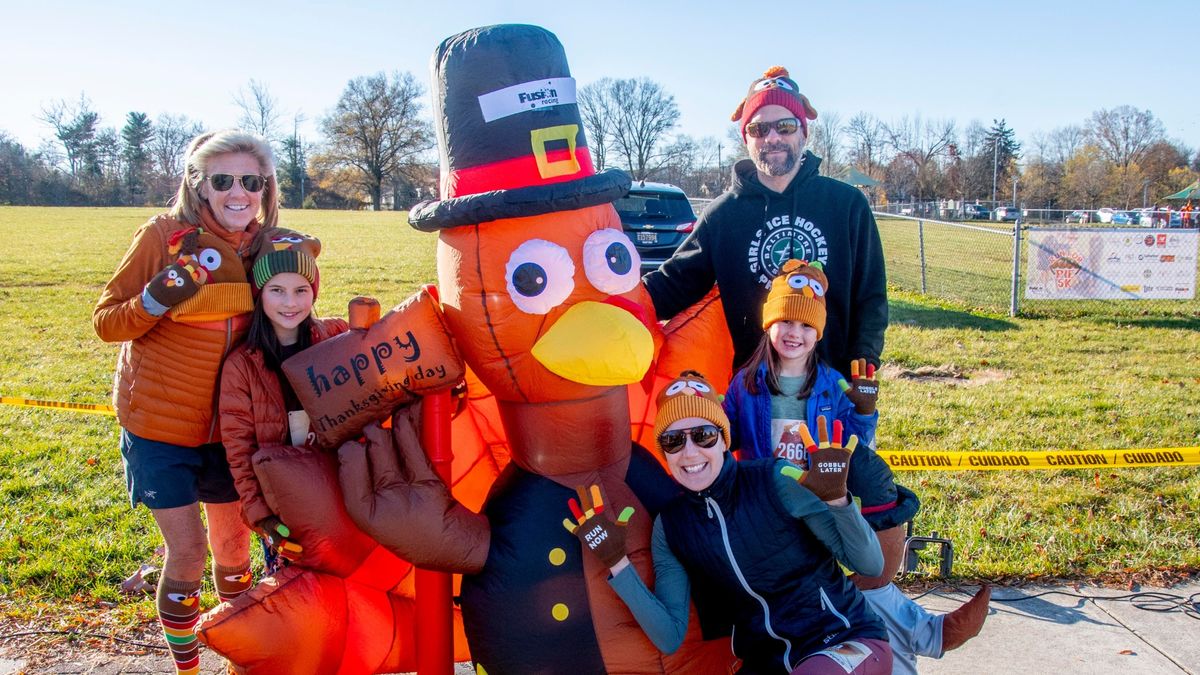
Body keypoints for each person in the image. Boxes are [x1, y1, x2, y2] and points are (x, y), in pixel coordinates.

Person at [724, 260, 990, 674]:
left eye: (806, 326)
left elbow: (857, 452)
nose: (795, 333)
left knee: (865, 578)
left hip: (822, 503)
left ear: (819, 333)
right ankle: (919, 634)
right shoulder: (746, 384)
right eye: (786, 322)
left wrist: (865, 412)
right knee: (835, 591)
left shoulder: (831, 384)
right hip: (770, 509)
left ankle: (908, 647)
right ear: (768, 324)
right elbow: (727, 437)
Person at [93, 129, 280, 675]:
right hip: (158, 426)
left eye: (251, 180)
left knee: (234, 551)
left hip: (231, 429)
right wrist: (157, 295)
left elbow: (292, 322)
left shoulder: (267, 245)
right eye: (223, 180)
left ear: (265, 186)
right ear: (199, 184)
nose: (238, 192)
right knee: (190, 552)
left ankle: (236, 659)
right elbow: (107, 321)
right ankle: (187, 669)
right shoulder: (162, 235)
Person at [567, 370, 893, 674]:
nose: (690, 452)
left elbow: (869, 564)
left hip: (845, 641)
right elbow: (668, 635)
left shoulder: (774, 480)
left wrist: (839, 502)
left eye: (704, 436)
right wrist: (617, 563)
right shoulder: (672, 527)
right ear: (664, 453)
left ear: (724, 439)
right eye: (673, 441)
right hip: (769, 662)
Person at [643, 66, 887, 377]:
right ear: (745, 138)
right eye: (759, 129)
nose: (772, 138)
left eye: (784, 126)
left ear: (805, 131)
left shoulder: (846, 205)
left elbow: (870, 294)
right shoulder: (724, 215)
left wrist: (864, 358)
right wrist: (619, 299)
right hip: (752, 394)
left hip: (832, 387)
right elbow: (673, 284)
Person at [219, 232, 347, 573]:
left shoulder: (335, 338)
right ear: (260, 294)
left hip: (337, 492)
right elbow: (239, 450)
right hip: (282, 503)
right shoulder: (242, 366)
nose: (290, 303)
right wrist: (261, 517)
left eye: (300, 290)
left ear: (314, 292)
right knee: (293, 588)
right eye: (277, 290)